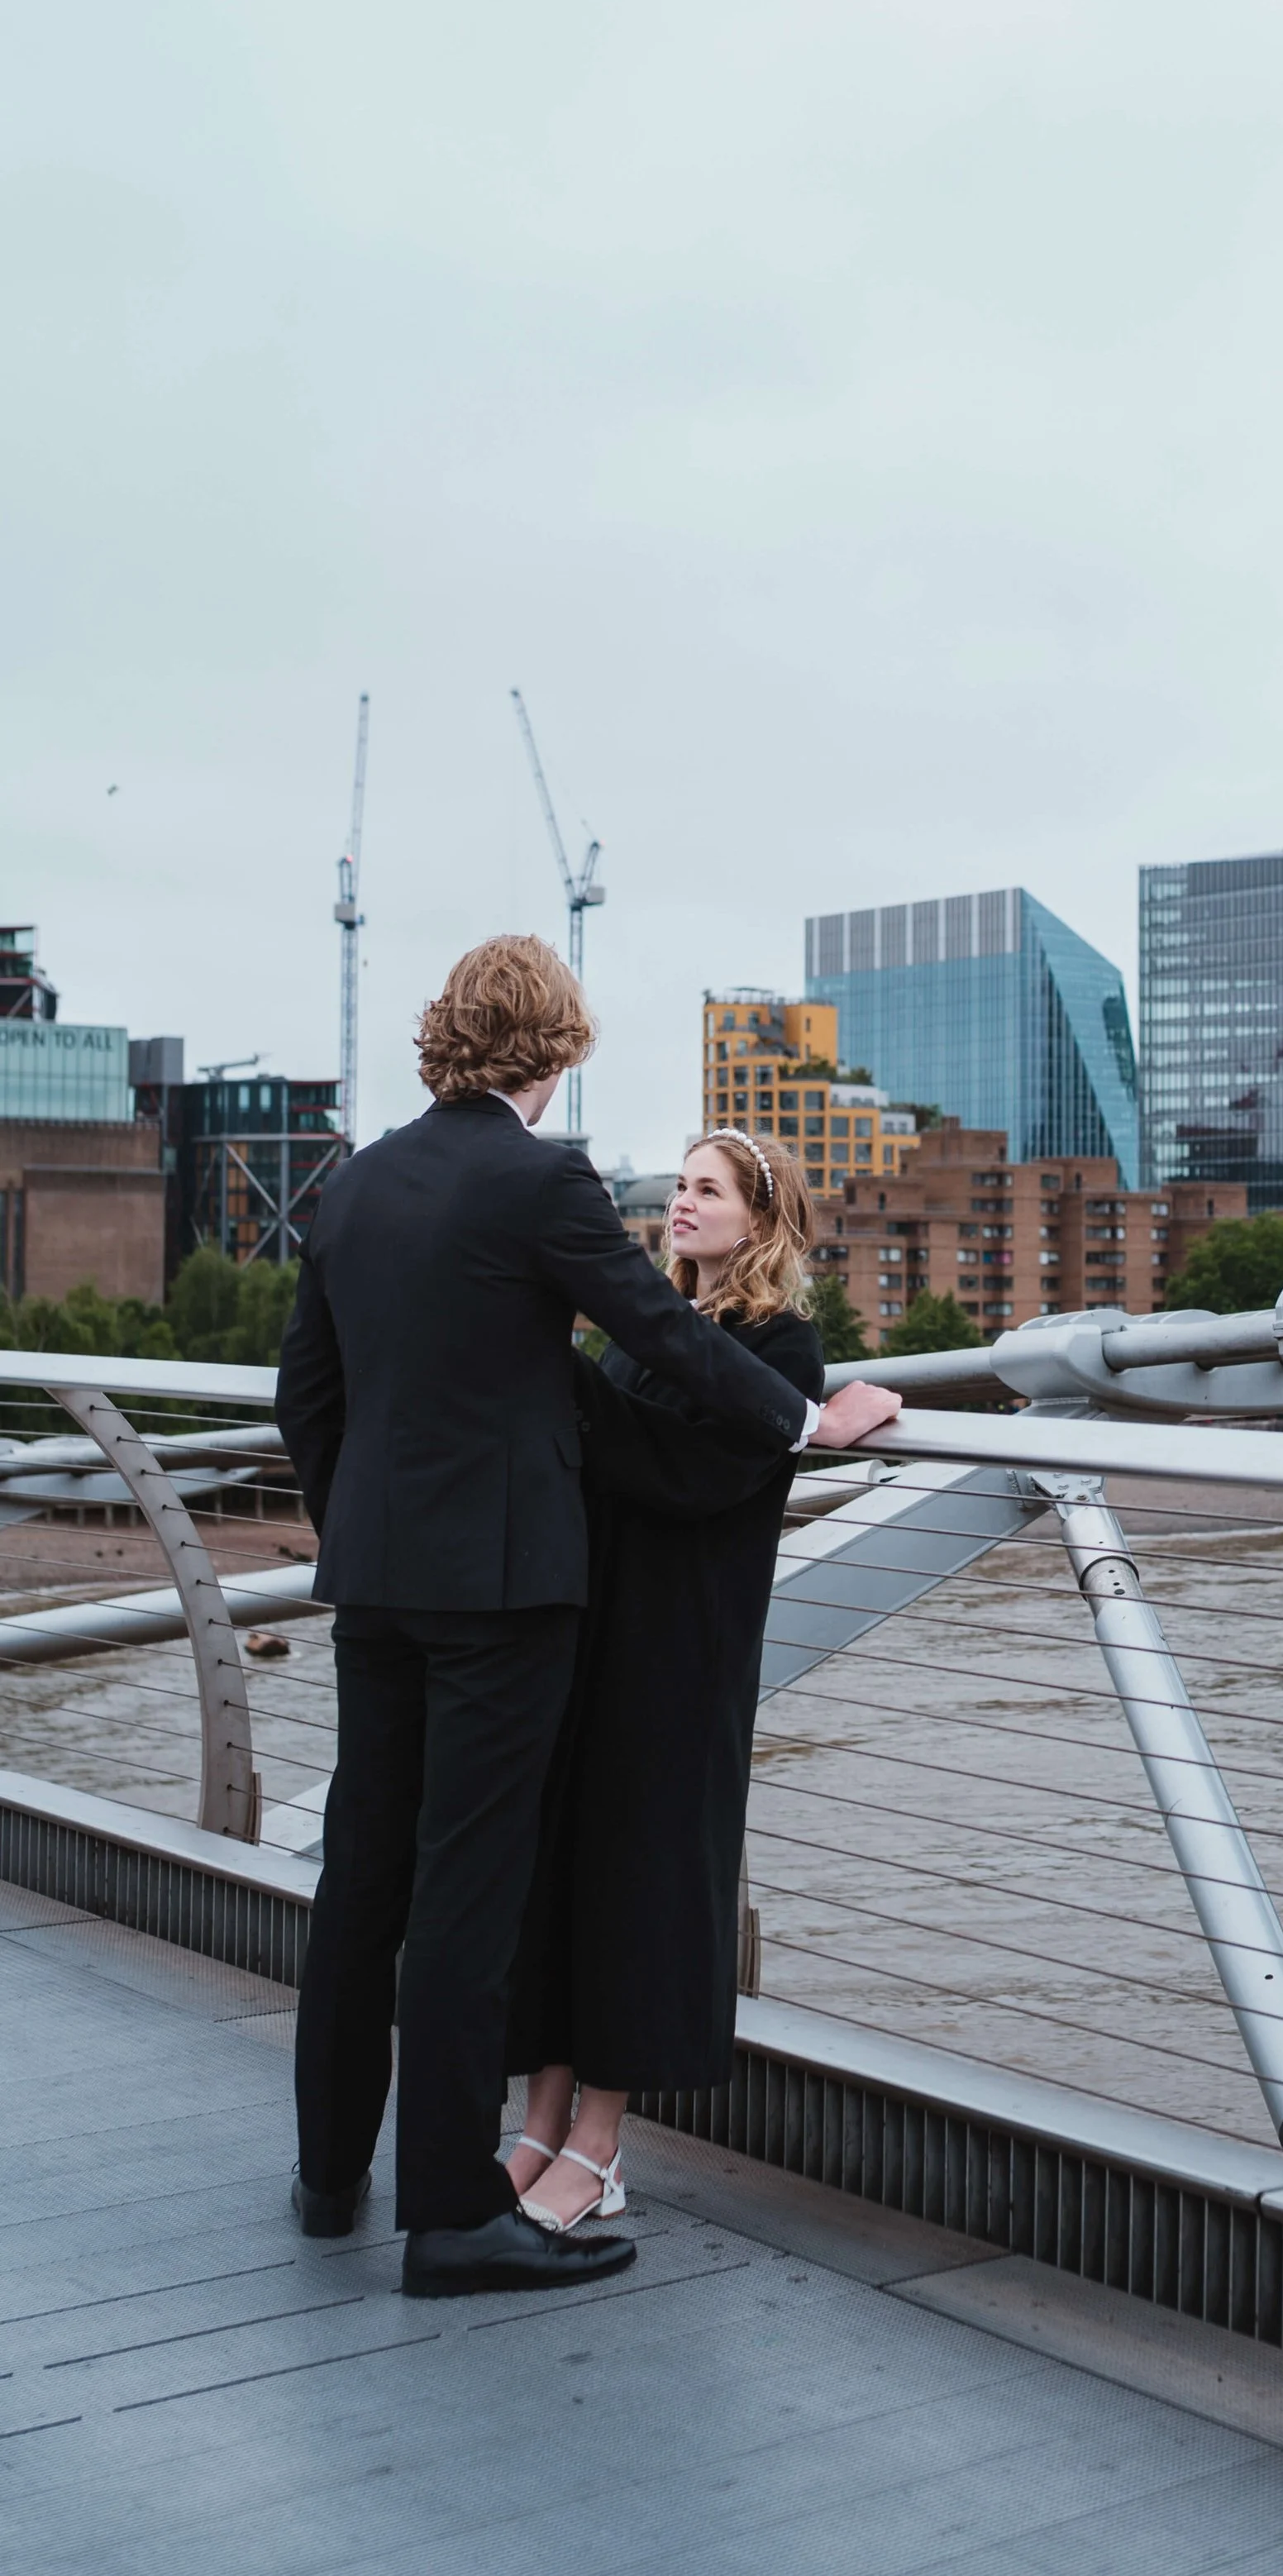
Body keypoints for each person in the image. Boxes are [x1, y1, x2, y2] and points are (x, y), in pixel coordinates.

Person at [274, 937, 900, 2300]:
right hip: (502, 1593)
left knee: (362, 1874)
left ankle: (332, 2181)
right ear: (553, 1051)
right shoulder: (537, 1177)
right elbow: (662, 1336)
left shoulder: (359, 1178)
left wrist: (362, 1532)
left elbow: (307, 1399)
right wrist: (810, 1417)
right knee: (465, 1894)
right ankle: (450, 2214)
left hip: (374, 1582)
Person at [501, 1128, 821, 2231]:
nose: (682, 1205)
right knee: (564, 1875)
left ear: (761, 1221)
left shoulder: (782, 1351)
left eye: (709, 1190)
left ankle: (602, 2141)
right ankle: (538, 2121)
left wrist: (564, 1374)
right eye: (679, 1186)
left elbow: (684, 1473)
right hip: (595, 1636)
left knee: (639, 1884)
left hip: (680, 1654)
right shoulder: (649, 1336)